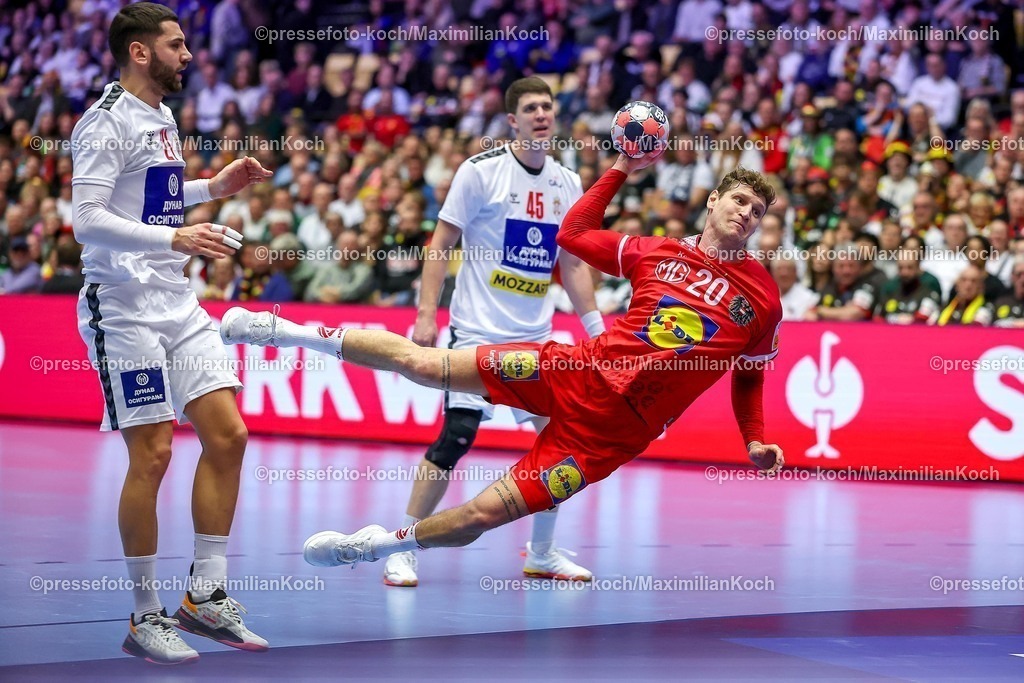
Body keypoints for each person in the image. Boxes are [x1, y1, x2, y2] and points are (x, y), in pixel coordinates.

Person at [219, 158, 785, 572]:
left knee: (477, 518)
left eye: (757, 211)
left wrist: (754, 439)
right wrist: (621, 167)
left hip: (610, 437)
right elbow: (573, 235)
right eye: (738, 200)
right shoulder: (653, 251)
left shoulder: (763, 299)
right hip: (571, 371)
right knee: (421, 363)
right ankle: (287, 331)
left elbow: (751, 375)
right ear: (713, 202)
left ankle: (380, 546)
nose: (746, 214)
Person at [70, 3, 272, 665]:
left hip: (175, 298)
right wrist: (176, 235)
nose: (189, 55)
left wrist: (213, 186)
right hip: (122, 306)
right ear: (139, 52)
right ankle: (144, 614)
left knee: (229, 434)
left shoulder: (160, 115)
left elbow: (154, 199)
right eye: (177, 45)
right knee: (152, 452)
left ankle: (204, 598)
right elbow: (88, 220)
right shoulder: (103, 122)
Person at [381, 77, 603, 587]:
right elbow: (440, 244)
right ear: (512, 120)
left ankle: (542, 553)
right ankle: (405, 545)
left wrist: (593, 327)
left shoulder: (567, 183)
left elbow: (570, 264)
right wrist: (425, 314)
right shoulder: (480, 172)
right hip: (477, 335)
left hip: (536, 342)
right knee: (456, 437)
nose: (542, 114)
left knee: (559, 444)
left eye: (548, 106)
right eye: (531, 108)